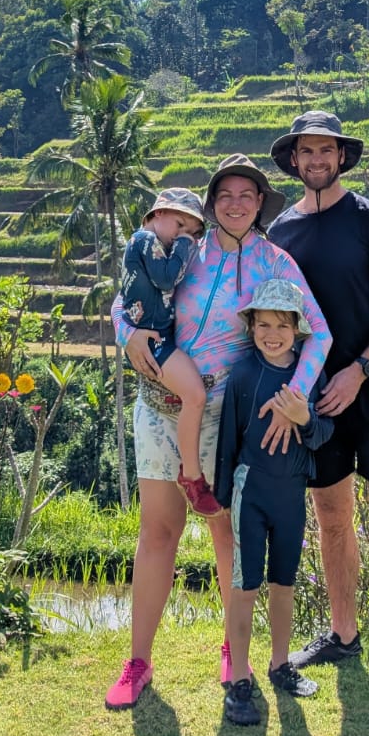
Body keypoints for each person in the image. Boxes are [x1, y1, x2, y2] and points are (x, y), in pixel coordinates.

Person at [105, 155, 331, 711]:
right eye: (225, 194)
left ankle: (236, 651)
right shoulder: (186, 249)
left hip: (224, 416)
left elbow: (319, 334)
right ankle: (138, 662)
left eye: (247, 195)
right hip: (159, 404)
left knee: (226, 534)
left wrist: (293, 400)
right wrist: (126, 333)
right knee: (158, 532)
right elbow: (126, 295)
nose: (236, 203)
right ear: (211, 203)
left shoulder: (275, 263)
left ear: (260, 205)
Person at [268, 110, 369, 723]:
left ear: (341, 157)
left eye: (326, 150)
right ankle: (343, 633)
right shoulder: (280, 231)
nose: (316, 160)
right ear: (294, 160)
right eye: (306, 151)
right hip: (313, 399)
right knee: (332, 519)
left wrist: (359, 370)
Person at [213, 277, 333, 726]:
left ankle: (280, 664)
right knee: (244, 586)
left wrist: (304, 418)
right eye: (263, 324)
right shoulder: (244, 375)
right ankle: (239, 679)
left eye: (282, 325)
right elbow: (228, 438)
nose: (272, 334)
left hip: (291, 494)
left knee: (285, 582)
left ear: (298, 329)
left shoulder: (308, 375)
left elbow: (323, 434)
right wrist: (222, 497)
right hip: (252, 493)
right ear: (251, 327)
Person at [118, 187, 218, 515]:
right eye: (180, 225)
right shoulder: (145, 240)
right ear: (158, 213)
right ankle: (192, 476)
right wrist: (187, 245)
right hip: (155, 341)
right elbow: (166, 280)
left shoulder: (155, 246)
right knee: (195, 395)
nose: (183, 235)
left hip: (159, 337)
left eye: (193, 232)